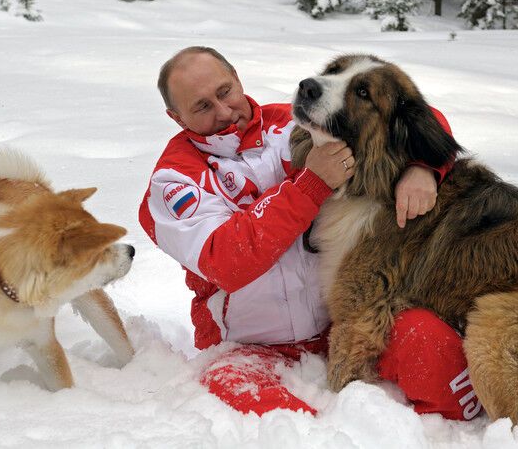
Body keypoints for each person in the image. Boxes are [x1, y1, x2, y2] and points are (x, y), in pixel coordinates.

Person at [138, 47, 481, 420]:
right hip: (249, 348)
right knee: (270, 414)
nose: (223, 113)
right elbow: (225, 262)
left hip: (339, 326)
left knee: (427, 340)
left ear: (237, 77)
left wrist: (425, 166)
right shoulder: (174, 180)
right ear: (176, 117)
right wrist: (309, 185)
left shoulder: (292, 123)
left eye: (225, 92)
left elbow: (414, 115)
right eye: (202, 107)